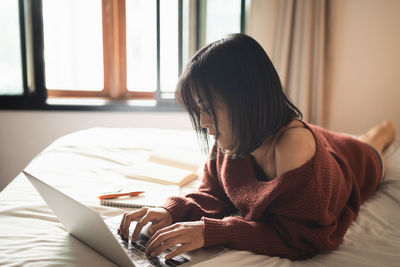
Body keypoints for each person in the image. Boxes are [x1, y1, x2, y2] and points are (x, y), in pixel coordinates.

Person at [118, 33, 396, 260]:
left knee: (372, 143)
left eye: (207, 108)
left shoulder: (292, 147)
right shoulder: (230, 136)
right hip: (304, 140)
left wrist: (212, 232)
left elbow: (301, 237)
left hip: (351, 161)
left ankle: (386, 128)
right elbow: (214, 193)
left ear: (243, 101)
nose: (203, 122)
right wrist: (171, 210)